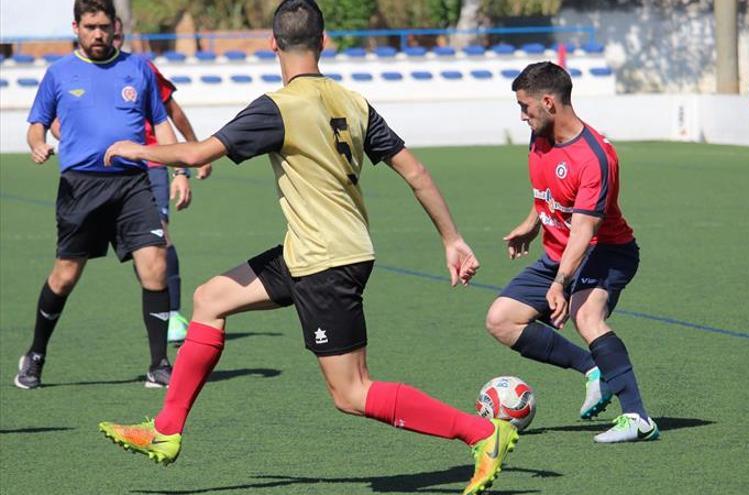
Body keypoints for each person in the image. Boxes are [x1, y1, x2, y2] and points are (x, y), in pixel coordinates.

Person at [97, 1, 518, 493]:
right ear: (324, 42)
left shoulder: (278, 107)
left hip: (327, 261)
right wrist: (452, 239)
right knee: (211, 299)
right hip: (314, 250)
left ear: (272, 43)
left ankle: (484, 432)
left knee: (352, 392)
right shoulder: (353, 102)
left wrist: (136, 148)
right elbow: (416, 172)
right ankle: (166, 430)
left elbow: (195, 153)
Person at [486, 61, 658, 443]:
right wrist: (532, 224)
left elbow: (585, 228)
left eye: (525, 107)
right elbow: (548, 192)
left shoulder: (596, 157)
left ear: (548, 102)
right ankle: (594, 369)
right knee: (501, 319)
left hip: (607, 251)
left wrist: (561, 282)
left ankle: (638, 418)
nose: (521, 116)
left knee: (586, 315)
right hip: (557, 252)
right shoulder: (540, 136)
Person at [14, 0, 177, 390]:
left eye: (104, 26)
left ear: (115, 25)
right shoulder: (58, 73)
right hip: (80, 186)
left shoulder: (137, 68)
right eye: (90, 27)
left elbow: (160, 121)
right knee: (66, 275)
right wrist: (37, 144)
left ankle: (159, 364)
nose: (98, 34)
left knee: (154, 265)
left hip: (132, 183)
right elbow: (36, 124)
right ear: (76, 27)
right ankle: (35, 353)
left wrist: (180, 168)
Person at [49, 19, 212, 342]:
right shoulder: (74, 73)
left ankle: (172, 315)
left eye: (115, 33)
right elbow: (56, 119)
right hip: (103, 175)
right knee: (76, 264)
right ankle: (158, 309)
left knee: (161, 239)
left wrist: (192, 156)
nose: (108, 38)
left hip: (151, 163)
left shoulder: (142, 70)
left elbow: (172, 112)